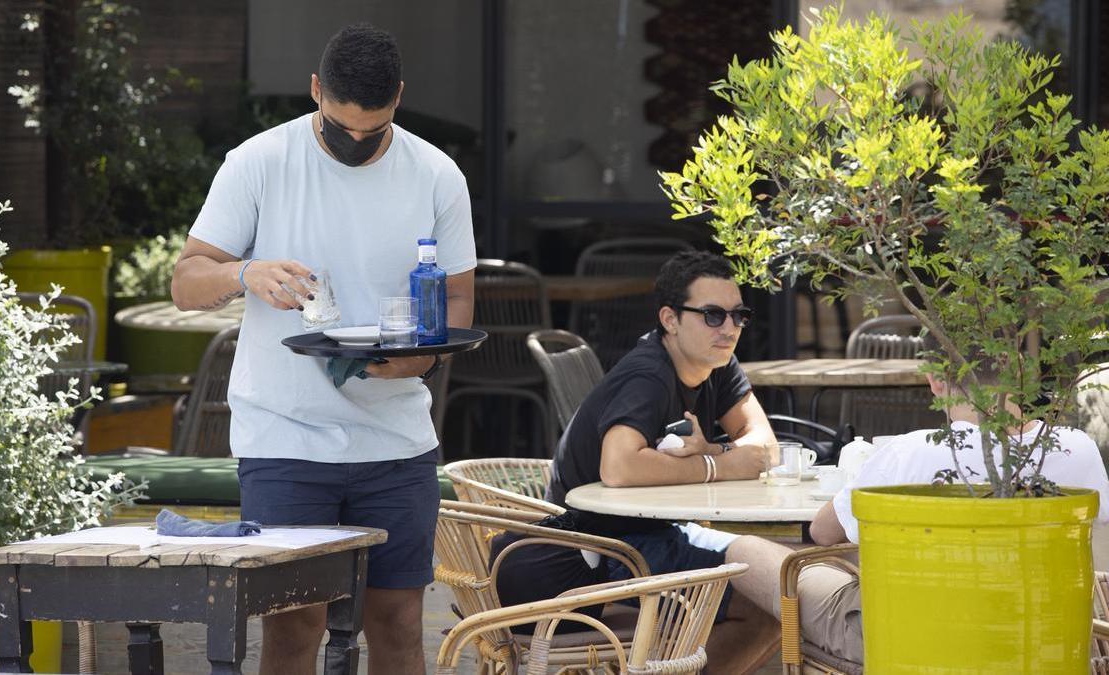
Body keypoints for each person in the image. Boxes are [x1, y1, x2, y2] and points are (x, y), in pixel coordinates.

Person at [170, 24, 476, 675]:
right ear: (315, 91)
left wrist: (418, 357)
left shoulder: (437, 175)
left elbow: (455, 306)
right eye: (341, 128)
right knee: (293, 625)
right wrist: (242, 273)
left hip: (395, 437)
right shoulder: (258, 161)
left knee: (397, 622)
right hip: (284, 434)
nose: (356, 143)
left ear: (398, 96)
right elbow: (185, 279)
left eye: (374, 130)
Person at [724, 365, 1109, 664]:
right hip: (1047, 638)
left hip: (909, 641)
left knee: (744, 551)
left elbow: (823, 533)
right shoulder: (1078, 448)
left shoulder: (913, 451)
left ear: (936, 380)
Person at [537, 250, 782, 672]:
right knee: (768, 599)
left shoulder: (716, 363)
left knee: (785, 573)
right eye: (712, 315)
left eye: (738, 316)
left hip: (656, 533)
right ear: (670, 319)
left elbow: (765, 447)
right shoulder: (648, 374)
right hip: (598, 553)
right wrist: (716, 466)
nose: (728, 328)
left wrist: (715, 451)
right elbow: (619, 467)